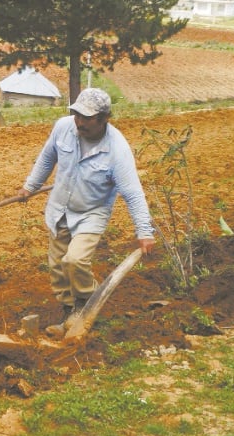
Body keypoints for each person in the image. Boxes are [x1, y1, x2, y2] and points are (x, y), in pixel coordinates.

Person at [16, 88, 156, 336]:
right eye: (76, 114)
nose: (79, 121)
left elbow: (133, 193)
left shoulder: (117, 150)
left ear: (104, 119)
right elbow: (47, 157)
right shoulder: (63, 127)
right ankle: (70, 312)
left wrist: (144, 231)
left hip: (92, 212)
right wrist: (30, 186)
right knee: (58, 268)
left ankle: (88, 302)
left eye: (87, 117)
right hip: (59, 208)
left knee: (75, 260)